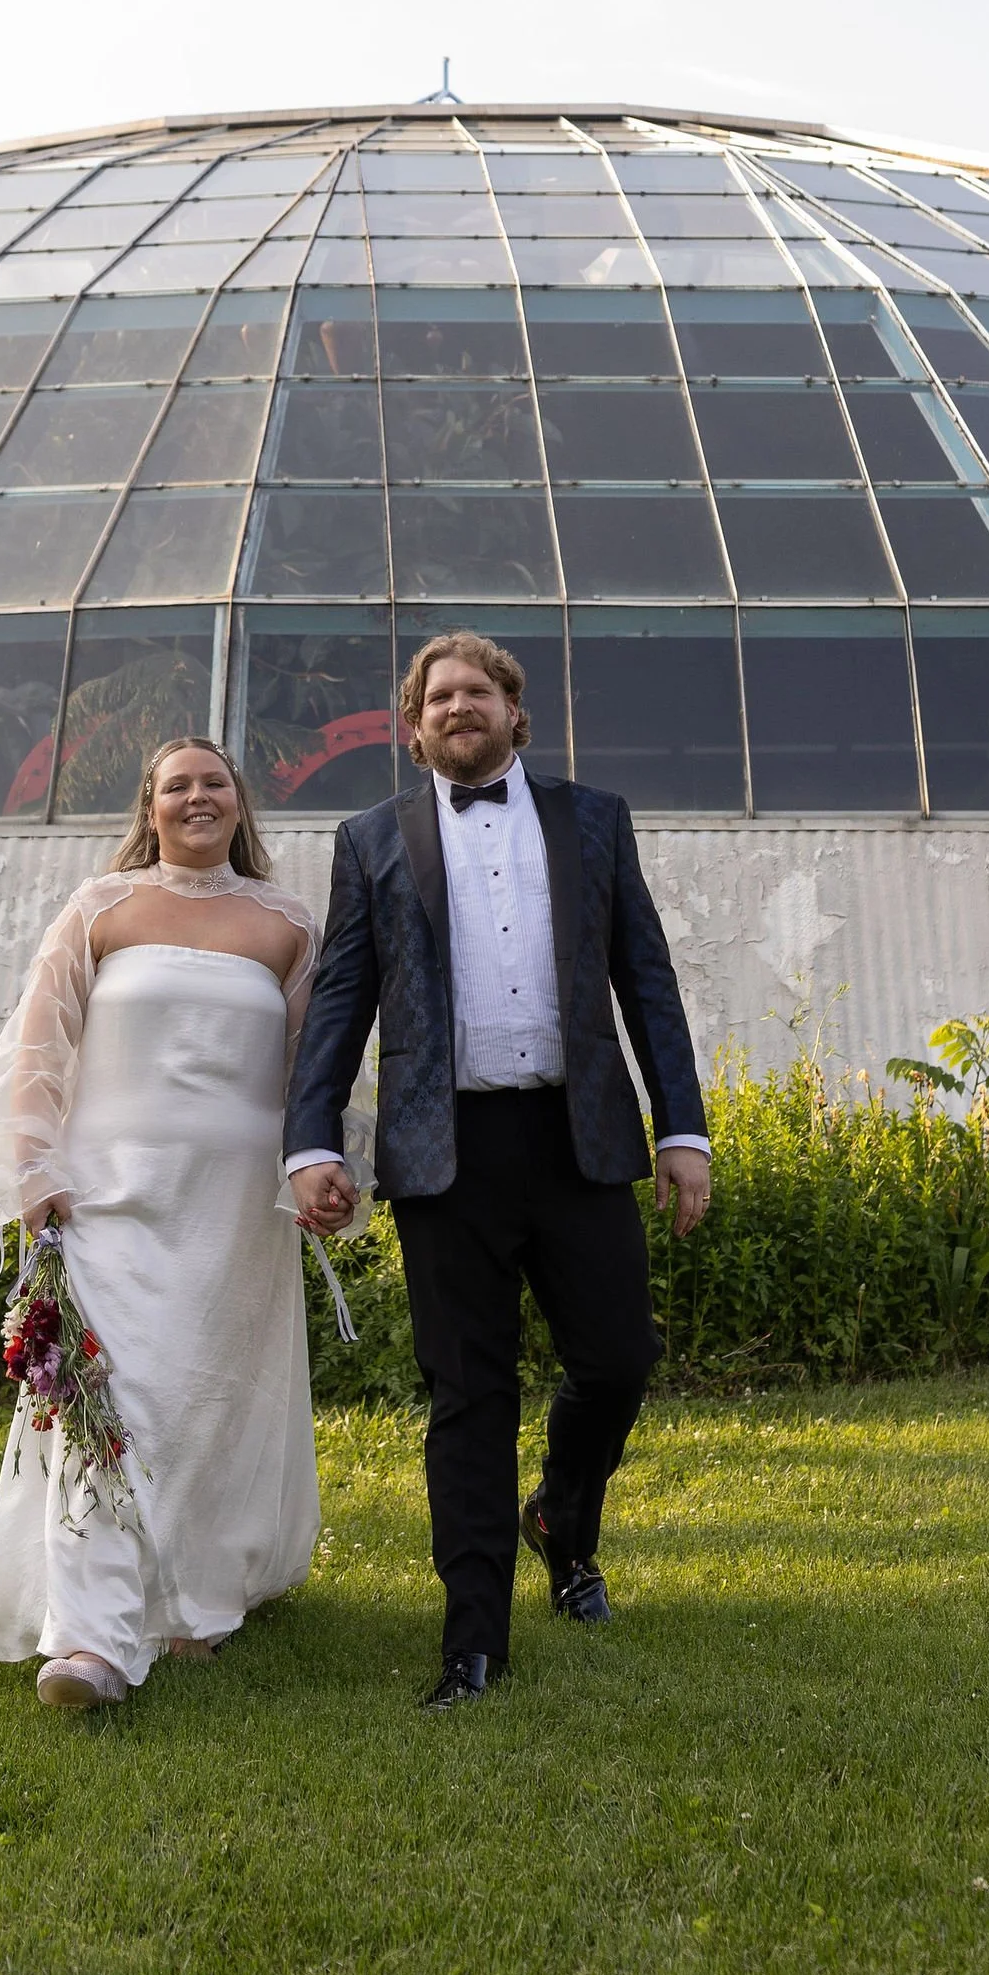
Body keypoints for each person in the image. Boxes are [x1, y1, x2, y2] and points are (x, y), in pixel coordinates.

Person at [286, 632, 711, 1710]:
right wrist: (311, 1143)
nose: (457, 707)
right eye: (437, 697)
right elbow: (339, 999)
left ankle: (560, 1519)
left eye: (477, 691)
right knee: (466, 1398)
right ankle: (470, 1646)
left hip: (580, 1143)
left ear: (516, 715)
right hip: (444, 1155)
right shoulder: (370, 838)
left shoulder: (593, 822)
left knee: (616, 1360)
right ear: (412, 726)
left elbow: (645, 981)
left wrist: (683, 1133)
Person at [0, 738, 322, 1707]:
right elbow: (40, 1041)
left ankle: (188, 1601)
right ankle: (91, 1643)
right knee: (107, 1397)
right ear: (149, 808)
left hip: (235, 1206)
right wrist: (32, 1163)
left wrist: (324, 1167)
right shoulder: (99, 909)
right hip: (108, 1194)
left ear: (240, 807)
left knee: (206, 1402)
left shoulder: (287, 924)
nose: (196, 797)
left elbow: (313, 1072)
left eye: (214, 784)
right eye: (177, 786)